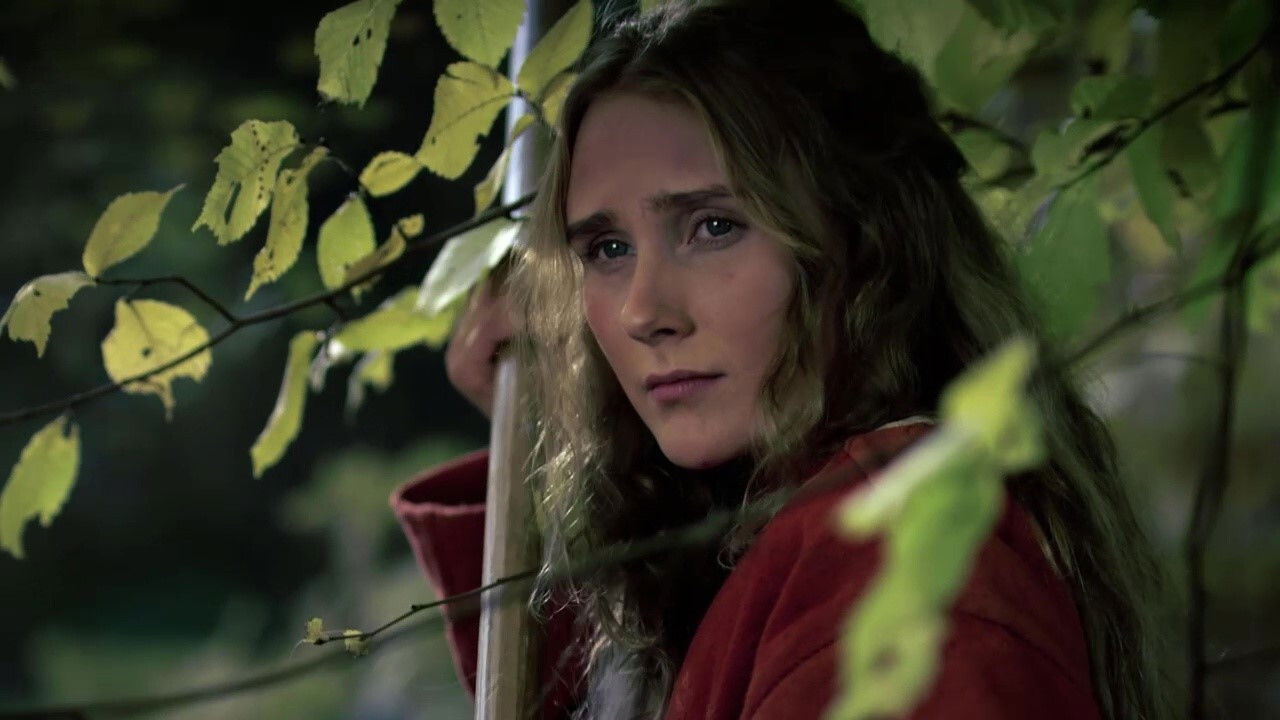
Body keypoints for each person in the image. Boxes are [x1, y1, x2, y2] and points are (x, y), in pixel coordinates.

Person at [391, 1, 1172, 718]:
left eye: (713, 227)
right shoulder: (778, 533)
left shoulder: (893, 562)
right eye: (608, 248)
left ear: (866, 240)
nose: (641, 312)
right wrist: (527, 439)